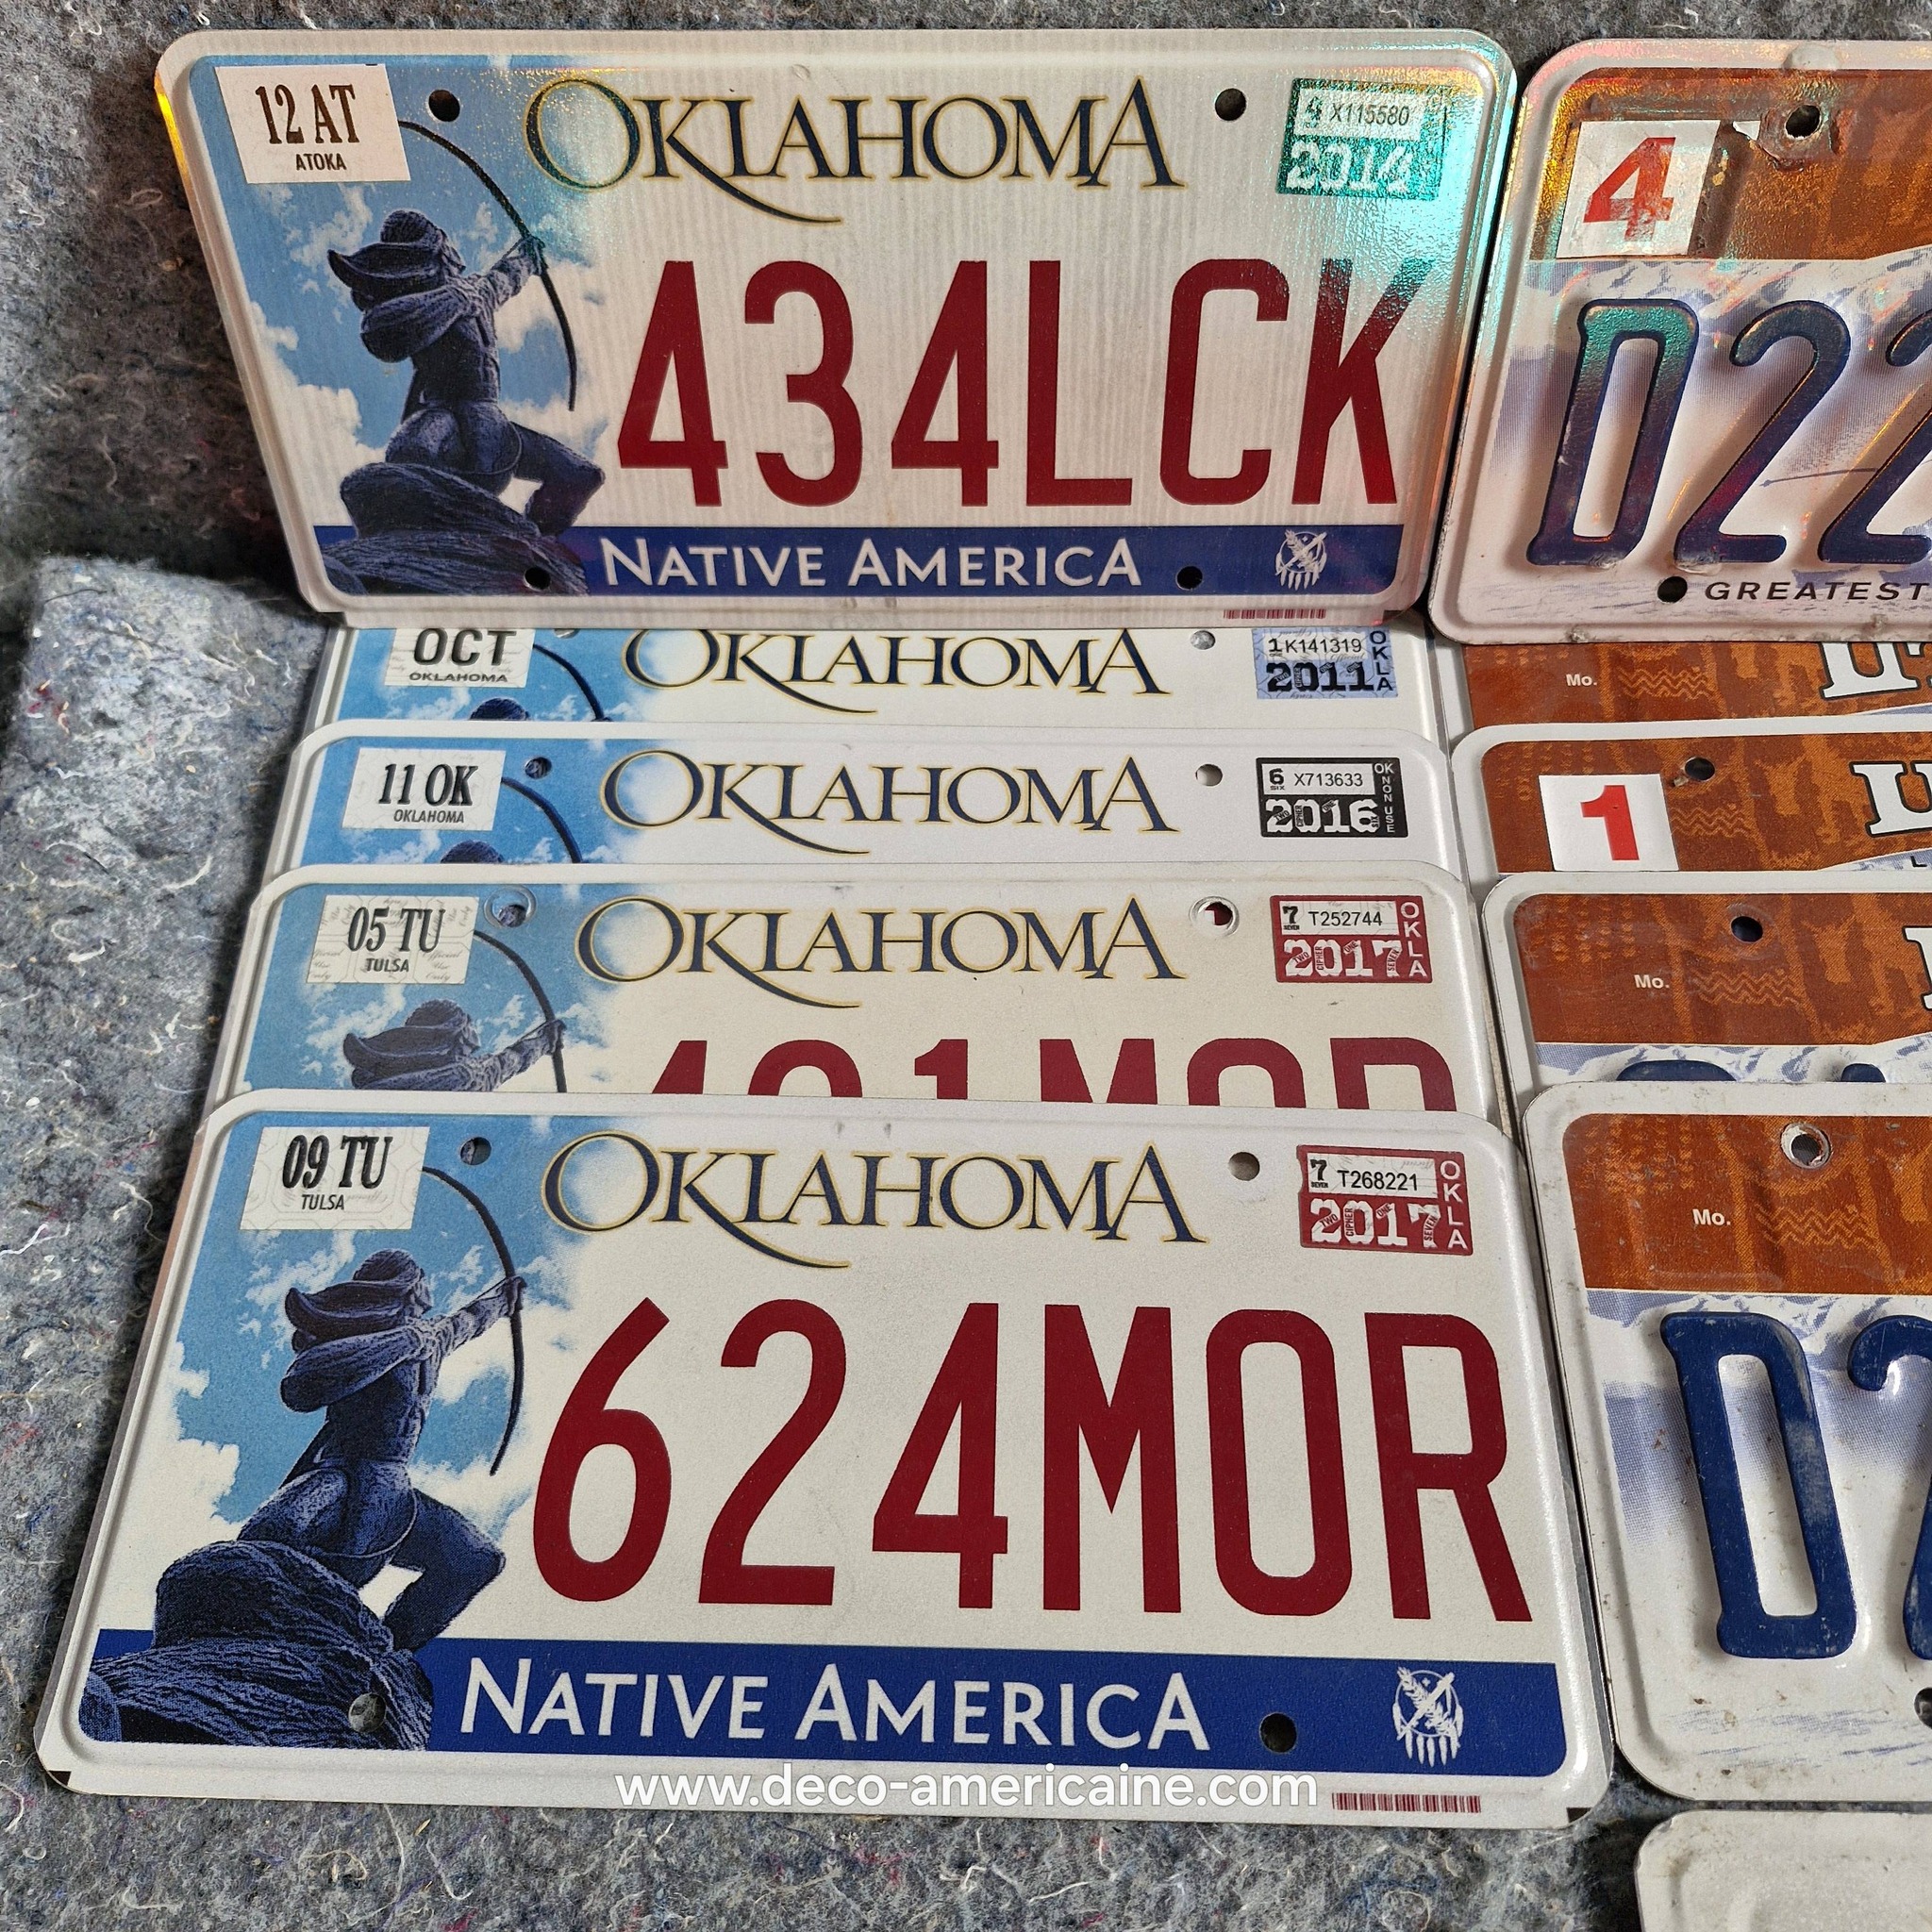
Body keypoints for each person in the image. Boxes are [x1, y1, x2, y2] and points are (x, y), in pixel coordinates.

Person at [237, 1249, 520, 1654]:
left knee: (476, 1558)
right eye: (420, 1279)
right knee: (272, 1533)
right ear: (405, 1287)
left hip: (393, 1486)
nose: (427, 1288)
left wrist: (504, 1299)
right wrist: (404, 1341)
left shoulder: (433, 1339)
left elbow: (468, 1321)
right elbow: (301, 1386)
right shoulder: (371, 1340)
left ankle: (386, 1654)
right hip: (342, 1474)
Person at [329, 210, 601, 535]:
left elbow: (504, 279)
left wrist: (528, 258)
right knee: (409, 454)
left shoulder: (479, 293)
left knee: (581, 475)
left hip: (491, 420)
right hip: (445, 412)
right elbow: (382, 331)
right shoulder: (427, 300)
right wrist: (454, 298)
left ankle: (530, 542)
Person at [341, 998, 561, 1092]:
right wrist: (544, 1042)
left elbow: (506, 1062)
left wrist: (542, 1042)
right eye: (467, 1030)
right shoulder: (465, 1074)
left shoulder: (376, 1081)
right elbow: (508, 1063)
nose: (473, 1040)